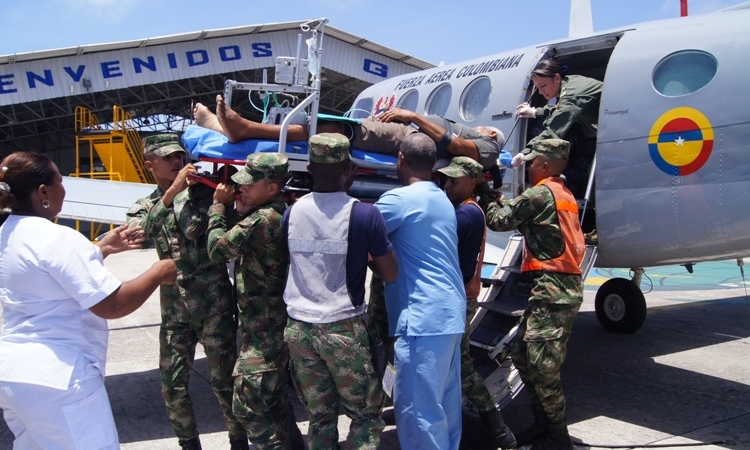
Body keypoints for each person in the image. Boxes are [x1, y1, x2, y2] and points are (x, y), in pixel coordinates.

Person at [0, 151, 177, 449]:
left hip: (13, 377)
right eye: (60, 182)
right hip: (59, 379)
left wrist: (98, 248)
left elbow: (42, 276)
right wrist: (158, 272)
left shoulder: (7, 234)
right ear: (43, 191)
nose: (64, 190)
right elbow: (113, 304)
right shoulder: (56, 237)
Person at [125, 134, 247, 450]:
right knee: (172, 384)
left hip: (214, 304)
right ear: (150, 165)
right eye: (168, 158)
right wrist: (173, 192)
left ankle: (238, 441)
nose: (177, 162)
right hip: (175, 310)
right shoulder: (145, 205)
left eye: (179, 156)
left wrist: (220, 200)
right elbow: (143, 235)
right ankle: (188, 443)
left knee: (224, 382)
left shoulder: (205, 197)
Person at [281, 133, 398, 450]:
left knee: (319, 418)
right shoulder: (364, 214)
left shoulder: (292, 213)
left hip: (299, 330)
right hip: (342, 329)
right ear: (350, 169)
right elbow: (390, 273)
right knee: (366, 417)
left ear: (308, 167)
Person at [477, 139, 586, 450]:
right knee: (522, 355)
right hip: (550, 289)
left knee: (543, 367)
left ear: (546, 165)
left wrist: (485, 192)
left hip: (555, 290)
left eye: (533, 162)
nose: (528, 167)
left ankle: (557, 438)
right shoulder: (562, 193)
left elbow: (499, 220)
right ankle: (543, 424)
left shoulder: (540, 192)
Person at [374, 133, 466, 450]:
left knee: (418, 412)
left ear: (400, 159)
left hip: (422, 318)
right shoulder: (441, 199)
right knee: (444, 406)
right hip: (449, 315)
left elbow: (356, 227)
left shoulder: (399, 201)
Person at [207, 152, 303, 450]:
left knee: (247, 405)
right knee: (274, 403)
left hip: (264, 331)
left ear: (272, 189)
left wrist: (217, 208)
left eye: (249, 184)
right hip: (269, 325)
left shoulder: (260, 220)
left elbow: (217, 250)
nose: (241, 188)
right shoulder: (278, 213)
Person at [436, 156, 516, 450]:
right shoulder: (464, 210)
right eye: (445, 179)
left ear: (472, 182)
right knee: (456, 363)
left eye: (454, 180)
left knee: (462, 367)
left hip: (459, 298)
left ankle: (496, 426)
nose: (447, 185)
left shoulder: (466, 215)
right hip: (459, 295)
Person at [193, 96, 503, 170]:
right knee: (342, 125)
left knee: (338, 129)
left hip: (412, 138)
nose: (481, 127)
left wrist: (413, 116)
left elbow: (457, 146)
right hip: (407, 131)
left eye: (485, 128)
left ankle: (243, 129)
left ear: (491, 134)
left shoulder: (490, 147)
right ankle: (222, 127)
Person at [515, 59, 603, 197]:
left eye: (543, 85)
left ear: (557, 77)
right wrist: (535, 112)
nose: (541, 92)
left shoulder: (572, 94)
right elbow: (559, 108)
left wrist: (525, 153)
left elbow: (553, 130)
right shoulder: (570, 84)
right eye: (538, 87)